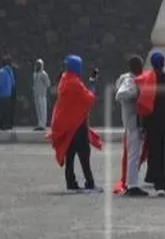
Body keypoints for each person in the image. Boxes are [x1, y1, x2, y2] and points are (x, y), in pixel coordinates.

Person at [47, 55, 103, 193]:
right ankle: (89, 183)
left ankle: (71, 182)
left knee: (70, 154)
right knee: (84, 153)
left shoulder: (64, 79)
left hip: (67, 124)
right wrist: (92, 84)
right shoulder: (75, 83)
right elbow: (89, 99)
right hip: (77, 124)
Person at [136, 51, 165, 193]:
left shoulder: (148, 79)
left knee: (155, 153)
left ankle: (158, 182)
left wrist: (142, 124)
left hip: (153, 122)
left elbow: (143, 102)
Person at [113, 55, 149, 196]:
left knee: (135, 155)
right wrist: (137, 92)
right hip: (132, 122)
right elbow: (120, 95)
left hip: (134, 121)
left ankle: (131, 182)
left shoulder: (131, 79)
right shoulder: (130, 80)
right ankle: (132, 185)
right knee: (134, 155)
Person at [0, 55, 15, 130]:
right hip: (8, 93)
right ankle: (7, 124)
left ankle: (0, 124)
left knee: (1, 110)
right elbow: (13, 83)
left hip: (1, 94)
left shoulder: (1, 71)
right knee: (7, 110)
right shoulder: (10, 71)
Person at [32, 59, 51, 131]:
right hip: (36, 94)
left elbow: (48, 84)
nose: (37, 66)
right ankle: (39, 124)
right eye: (36, 64)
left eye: (38, 65)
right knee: (38, 110)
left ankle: (43, 124)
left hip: (42, 94)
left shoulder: (44, 74)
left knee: (43, 110)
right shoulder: (35, 74)